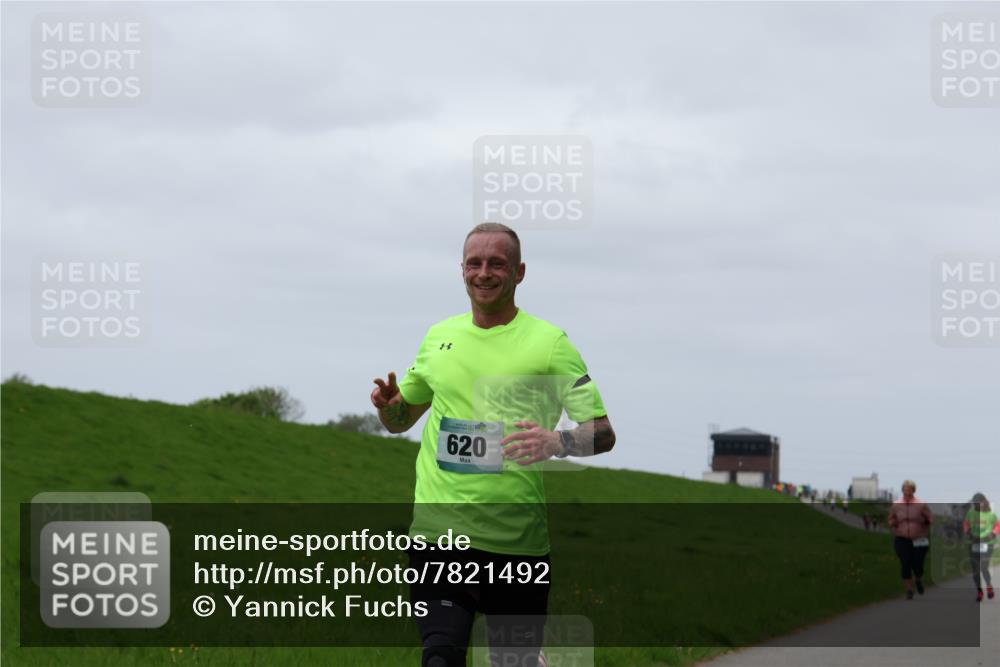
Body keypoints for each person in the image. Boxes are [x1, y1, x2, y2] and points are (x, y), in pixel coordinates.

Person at [370, 223, 616, 667]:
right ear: (461, 271)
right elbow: (400, 420)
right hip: (438, 538)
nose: (483, 273)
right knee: (440, 656)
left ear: (519, 272)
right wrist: (389, 408)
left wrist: (557, 440)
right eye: (474, 263)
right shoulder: (438, 337)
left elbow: (603, 433)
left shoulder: (550, 344)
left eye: (496, 263)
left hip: (515, 545)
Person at [887, 480, 933, 600]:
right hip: (902, 538)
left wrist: (926, 522)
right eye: (905, 490)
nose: (907, 492)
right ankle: (909, 589)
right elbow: (891, 518)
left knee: (918, 563)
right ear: (902, 490)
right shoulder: (896, 505)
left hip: (920, 539)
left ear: (913, 490)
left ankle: (918, 579)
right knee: (905, 562)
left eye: (910, 490)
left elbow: (931, 517)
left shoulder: (921, 504)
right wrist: (892, 523)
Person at [963, 492, 999, 602]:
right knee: (975, 570)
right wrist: (968, 532)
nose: (975, 505)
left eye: (977, 503)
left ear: (983, 502)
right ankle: (979, 591)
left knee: (983, 567)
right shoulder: (971, 512)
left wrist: (992, 534)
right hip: (974, 542)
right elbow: (966, 524)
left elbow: (997, 525)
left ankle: (988, 586)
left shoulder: (991, 514)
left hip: (987, 543)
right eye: (974, 503)